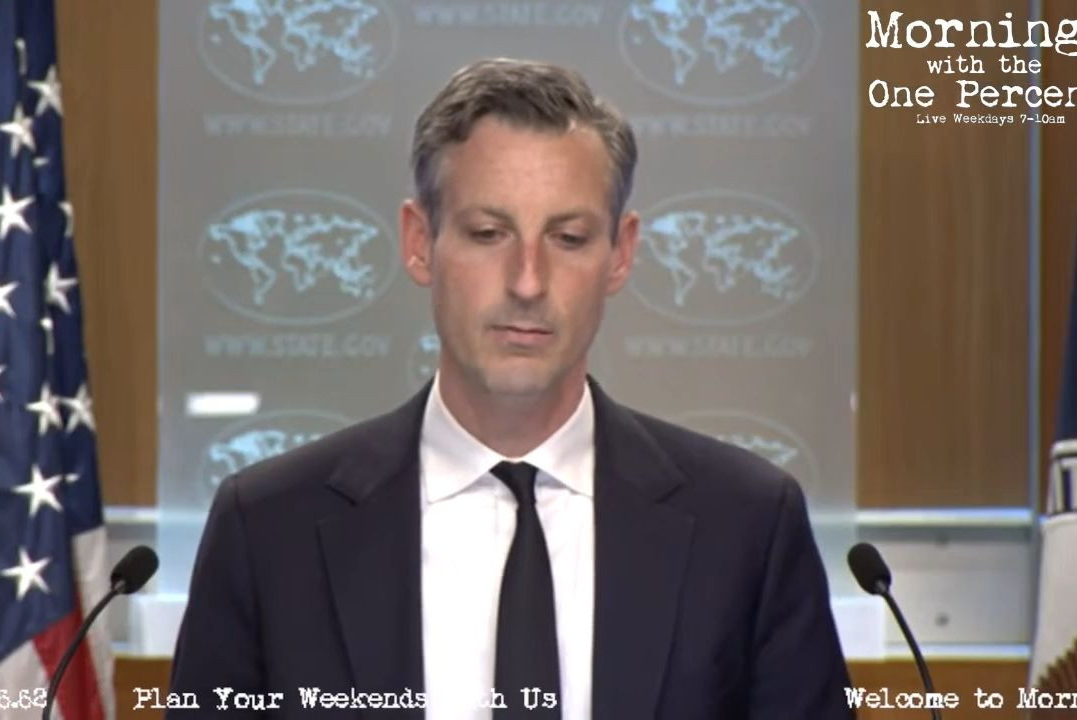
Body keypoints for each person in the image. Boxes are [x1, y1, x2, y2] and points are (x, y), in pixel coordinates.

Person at [168, 58, 854, 719]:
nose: (528, 281)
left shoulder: (748, 527)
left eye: (569, 237)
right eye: (488, 233)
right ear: (419, 241)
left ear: (621, 253)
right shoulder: (267, 530)